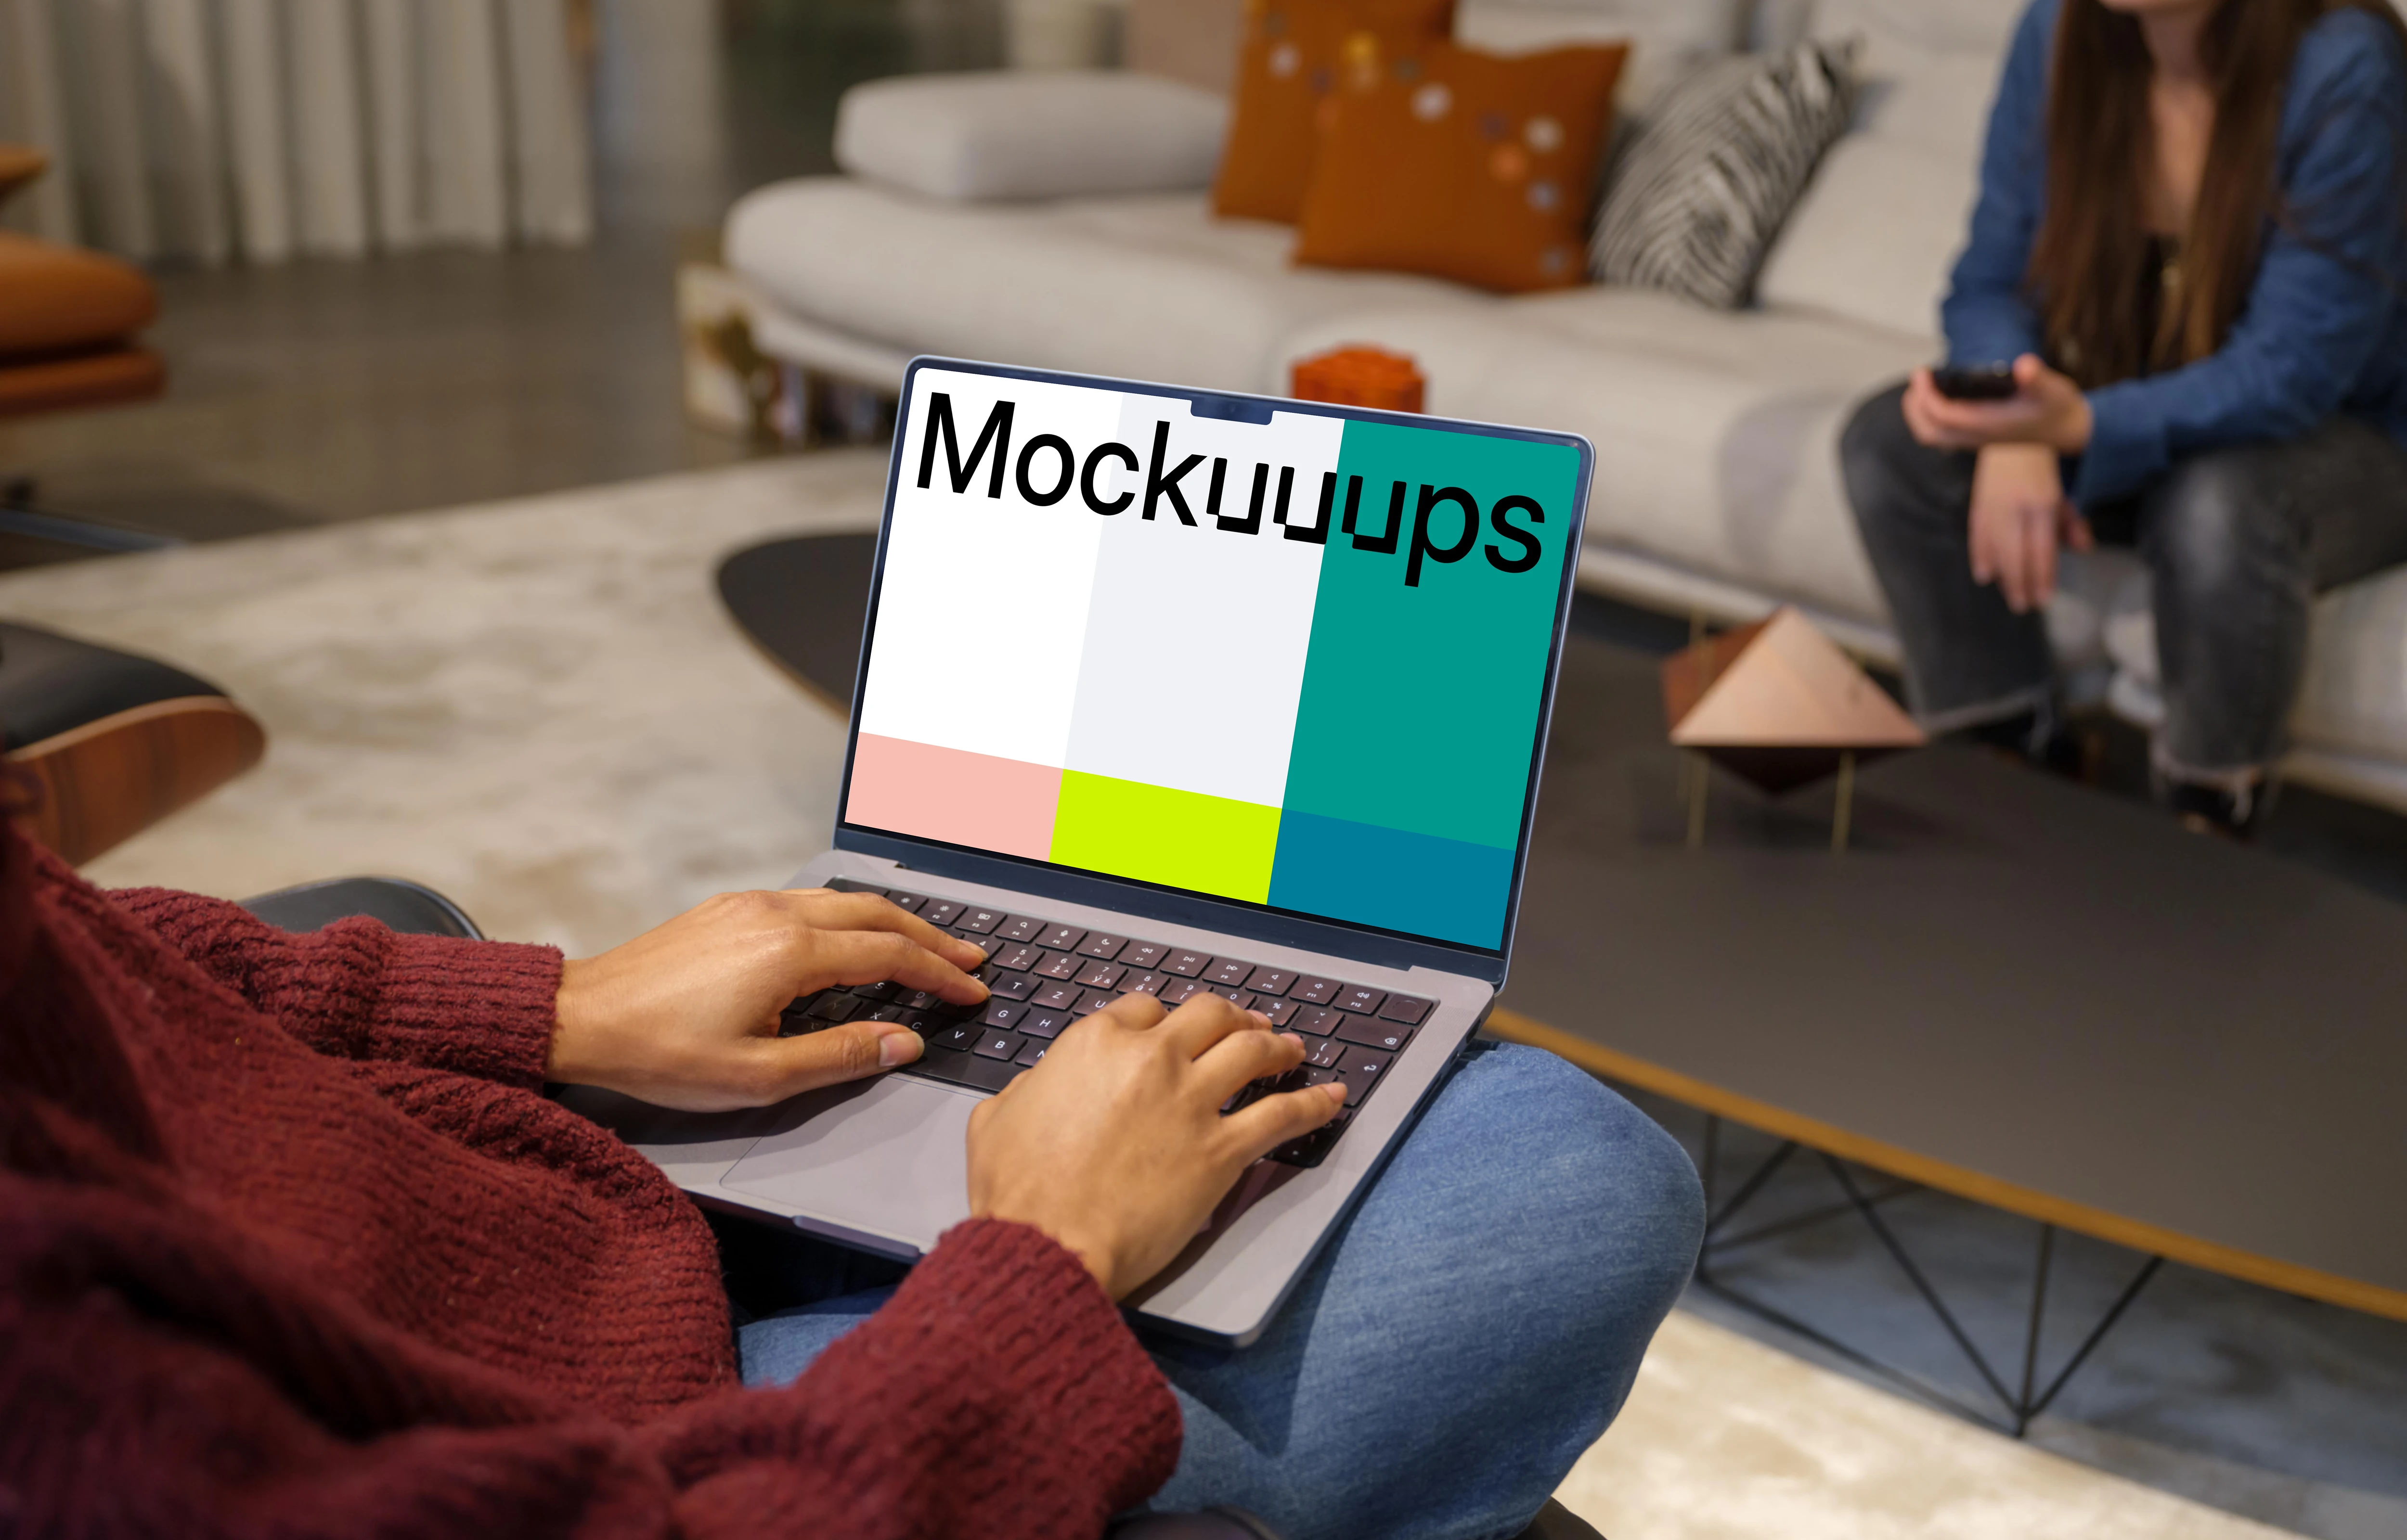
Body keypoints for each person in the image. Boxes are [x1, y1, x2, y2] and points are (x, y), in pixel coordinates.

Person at [0, 801, 1702, 1539]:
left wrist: (554, 1011)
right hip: (680, 1442)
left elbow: (91, 959)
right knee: (1573, 1175)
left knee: (1372, 1085)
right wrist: (1039, 1261)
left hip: (531, 1197)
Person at [1842, 0, 2407, 832]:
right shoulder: (2058, 31)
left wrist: (2071, 429)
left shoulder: (2344, 65)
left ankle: (2210, 819)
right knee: (1894, 443)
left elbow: (2294, 373)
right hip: (2134, 407)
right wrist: (2013, 415)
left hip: (2348, 444)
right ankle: (2007, 768)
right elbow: (1990, 280)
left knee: (2215, 506)